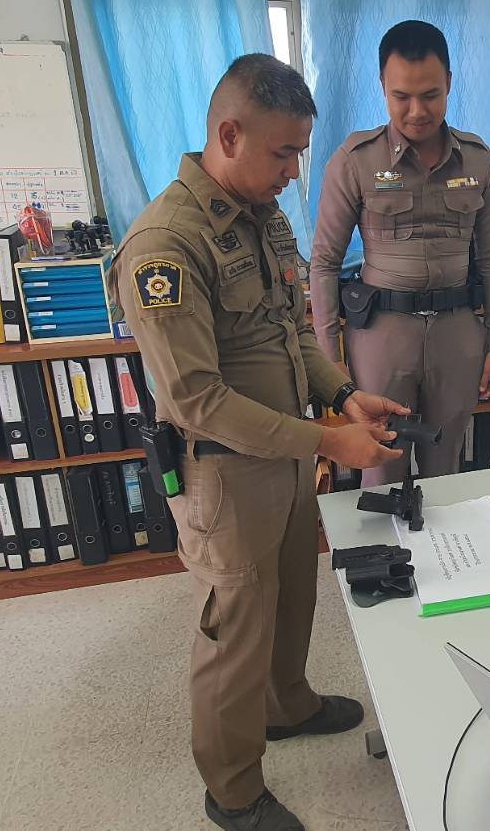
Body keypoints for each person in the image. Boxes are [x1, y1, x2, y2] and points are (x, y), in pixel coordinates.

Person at [111, 54, 410, 831]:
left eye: (300, 152)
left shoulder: (264, 217)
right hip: (223, 474)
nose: (293, 171)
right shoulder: (166, 245)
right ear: (229, 135)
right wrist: (331, 441)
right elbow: (197, 399)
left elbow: (291, 332)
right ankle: (233, 788)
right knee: (235, 625)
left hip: (284, 455)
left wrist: (341, 394)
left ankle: (286, 704)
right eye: (283, 153)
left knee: (292, 592)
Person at [309, 20, 490, 487]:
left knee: (447, 470)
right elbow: (324, 263)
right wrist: (329, 360)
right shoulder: (356, 160)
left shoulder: (478, 159)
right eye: (402, 96)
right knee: (381, 465)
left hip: (458, 335)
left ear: (450, 84)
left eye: (431, 95)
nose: (418, 111)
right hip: (383, 337)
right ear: (382, 86)